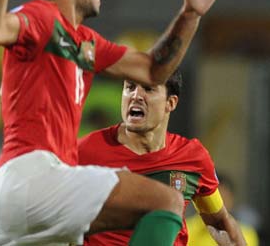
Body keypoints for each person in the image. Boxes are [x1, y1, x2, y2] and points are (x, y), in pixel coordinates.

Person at [0, 0, 232, 245]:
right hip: (34, 175)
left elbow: (152, 71)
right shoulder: (42, 17)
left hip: (11, 202)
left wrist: (190, 14)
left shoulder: (86, 44)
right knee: (167, 201)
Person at [78, 71, 247, 245]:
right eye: (130, 87)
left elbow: (219, 223)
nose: (136, 96)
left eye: (148, 89)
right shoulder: (84, 152)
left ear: (170, 102)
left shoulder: (193, 158)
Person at [187, 173, 259, 246]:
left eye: (224, 199)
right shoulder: (186, 228)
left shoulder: (246, 233)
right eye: (213, 201)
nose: (218, 207)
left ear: (232, 200)